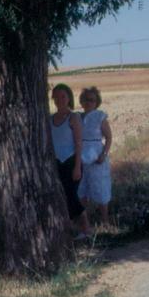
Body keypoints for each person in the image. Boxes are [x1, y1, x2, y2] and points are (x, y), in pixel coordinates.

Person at [48, 83, 91, 239]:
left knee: (71, 195)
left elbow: (79, 143)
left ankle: (86, 228)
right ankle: (70, 229)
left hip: (72, 161)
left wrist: (78, 167)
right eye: (57, 96)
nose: (60, 99)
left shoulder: (74, 117)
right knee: (61, 196)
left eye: (63, 96)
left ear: (69, 98)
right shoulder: (50, 119)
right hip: (56, 163)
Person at [78, 86, 112, 226]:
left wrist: (103, 154)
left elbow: (109, 138)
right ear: (81, 101)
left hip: (97, 157)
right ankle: (84, 223)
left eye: (91, 100)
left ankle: (105, 222)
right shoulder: (77, 116)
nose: (88, 102)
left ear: (96, 101)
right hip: (80, 158)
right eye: (85, 99)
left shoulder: (100, 116)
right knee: (81, 189)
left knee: (100, 187)